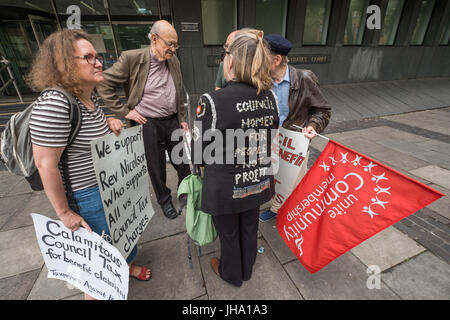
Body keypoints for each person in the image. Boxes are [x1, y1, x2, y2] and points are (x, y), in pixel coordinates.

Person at [27, 29, 151, 300]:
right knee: (98, 267)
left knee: (120, 237)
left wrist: (110, 122)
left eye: (98, 56)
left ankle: (125, 266)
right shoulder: (56, 102)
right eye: (89, 57)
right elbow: (45, 163)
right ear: (66, 64)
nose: (99, 63)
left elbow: (85, 135)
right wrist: (64, 213)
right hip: (87, 196)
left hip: (109, 188)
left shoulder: (89, 96)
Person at [192, 29, 279, 287]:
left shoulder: (211, 100)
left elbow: (199, 152)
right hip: (257, 180)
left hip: (225, 186)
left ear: (230, 61)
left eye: (224, 55)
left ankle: (232, 274)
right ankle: (247, 268)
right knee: (250, 227)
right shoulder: (271, 97)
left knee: (229, 233)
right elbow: (270, 136)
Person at [97, 20, 190, 220]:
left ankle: (186, 194)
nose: (173, 49)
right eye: (170, 44)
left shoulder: (173, 60)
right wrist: (124, 111)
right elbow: (104, 84)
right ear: (154, 39)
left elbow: (179, 91)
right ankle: (165, 201)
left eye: (176, 45)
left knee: (182, 162)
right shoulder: (132, 58)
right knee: (156, 167)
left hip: (172, 120)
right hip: (147, 123)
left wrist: (182, 117)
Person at [259, 34, 332, 222]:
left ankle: (293, 213)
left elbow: (322, 110)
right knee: (275, 176)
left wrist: (312, 125)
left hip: (295, 143)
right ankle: (277, 207)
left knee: (294, 181)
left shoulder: (304, 78)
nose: (257, 59)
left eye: (262, 55)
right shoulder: (261, 80)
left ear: (276, 59)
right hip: (272, 140)